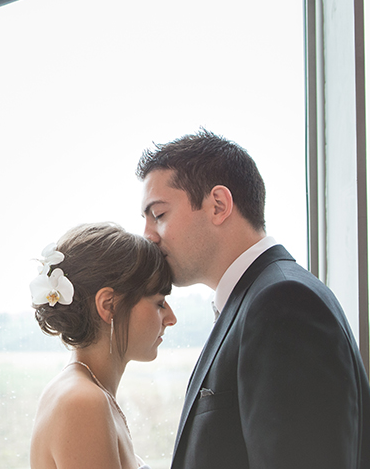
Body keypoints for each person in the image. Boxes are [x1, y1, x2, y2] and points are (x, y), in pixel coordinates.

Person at [136, 129, 370, 469]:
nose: (147, 234)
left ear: (218, 205)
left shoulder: (283, 303)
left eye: (158, 215)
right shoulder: (258, 298)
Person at [29, 222, 176, 469]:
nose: (171, 318)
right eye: (159, 303)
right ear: (109, 305)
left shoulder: (87, 392)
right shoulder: (82, 401)